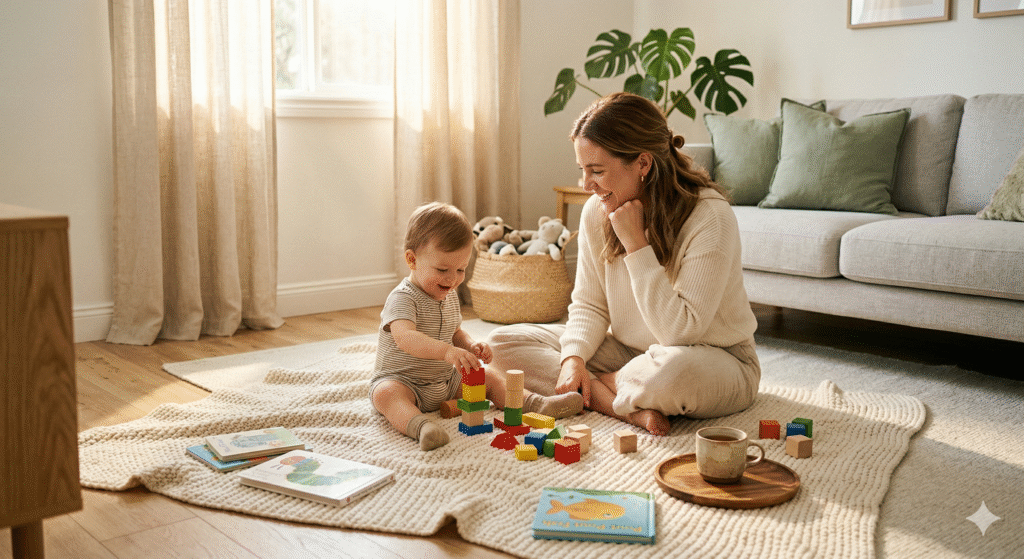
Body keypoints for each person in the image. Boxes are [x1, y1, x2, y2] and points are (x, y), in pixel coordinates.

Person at [487, 93, 761, 436]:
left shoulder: (710, 216)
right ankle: (618, 403)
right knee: (499, 346)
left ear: (643, 164)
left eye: (597, 171)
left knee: (672, 375)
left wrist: (636, 244)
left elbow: (679, 332)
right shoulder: (596, 211)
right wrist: (573, 358)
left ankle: (600, 387)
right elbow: (590, 304)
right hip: (629, 352)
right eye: (582, 170)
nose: (585, 185)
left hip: (714, 358)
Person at [371, 202, 582, 451]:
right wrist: (447, 352)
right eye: (442, 269)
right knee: (386, 394)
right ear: (412, 260)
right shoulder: (402, 298)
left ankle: (535, 404)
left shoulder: (448, 295)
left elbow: (455, 332)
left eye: (461, 269)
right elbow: (405, 337)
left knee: (489, 376)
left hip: (445, 382)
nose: (452, 279)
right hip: (404, 381)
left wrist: (470, 345)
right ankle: (421, 427)